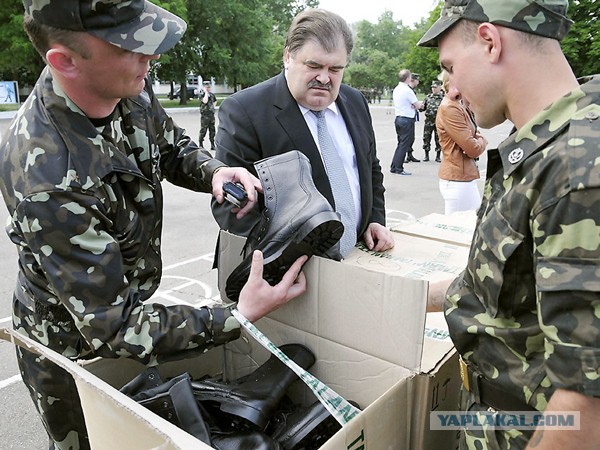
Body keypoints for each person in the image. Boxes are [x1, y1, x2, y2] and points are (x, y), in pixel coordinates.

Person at [0, 1, 308, 449]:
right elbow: (114, 326)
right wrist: (238, 315)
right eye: (130, 45)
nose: (153, 56)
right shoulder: (47, 177)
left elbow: (170, 146)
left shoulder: (125, 84)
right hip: (71, 348)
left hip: (124, 309)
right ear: (64, 61)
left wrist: (215, 172)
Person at [419, 0, 600, 449]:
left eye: (450, 67)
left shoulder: (578, 170)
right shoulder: (547, 145)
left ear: (489, 41)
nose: (452, 87)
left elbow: (586, 405)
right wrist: (395, 298)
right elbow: (501, 288)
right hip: (494, 420)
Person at [211, 8, 394, 258]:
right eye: (314, 65)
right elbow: (232, 205)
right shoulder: (244, 111)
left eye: (335, 69)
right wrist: (280, 261)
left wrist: (375, 219)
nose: (324, 78)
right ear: (288, 56)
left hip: (359, 256)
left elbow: (369, 168)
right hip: (289, 271)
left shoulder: (355, 102)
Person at [436, 71, 487, 214]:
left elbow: (474, 131)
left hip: (462, 177)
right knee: (455, 230)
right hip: (457, 179)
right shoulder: (450, 108)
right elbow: (473, 149)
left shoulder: (458, 104)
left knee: (472, 225)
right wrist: (482, 140)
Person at [390, 69, 423, 175]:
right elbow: (418, 105)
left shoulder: (397, 89)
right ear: (408, 78)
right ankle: (399, 168)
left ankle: (394, 166)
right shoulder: (407, 90)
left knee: (401, 143)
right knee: (404, 144)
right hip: (407, 119)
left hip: (398, 118)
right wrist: (418, 105)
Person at [421, 79, 444, 162]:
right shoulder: (428, 97)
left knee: (438, 139)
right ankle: (426, 155)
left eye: (435, 87)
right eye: (432, 87)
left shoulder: (443, 98)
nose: (433, 89)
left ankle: (438, 156)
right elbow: (422, 108)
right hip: (428, 122)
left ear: (440, 88)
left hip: (439, 122)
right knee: (426, 138)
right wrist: (421, 107)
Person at [198, 80, 217, 150]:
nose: (208, 88)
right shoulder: (202, 94)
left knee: (212, 130)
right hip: (205, 115)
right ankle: (200, 143)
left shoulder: (212, 94)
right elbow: (205, 101)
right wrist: (205, 92)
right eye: (207, 87)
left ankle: (212, 144)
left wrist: (213, 107)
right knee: (203, 130)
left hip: (211, 115)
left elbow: (215, 101)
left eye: (209, 87)